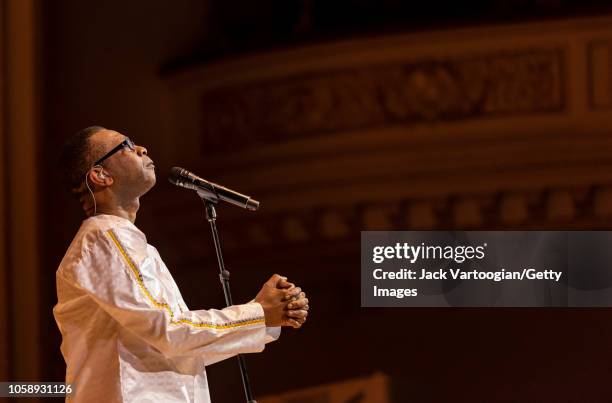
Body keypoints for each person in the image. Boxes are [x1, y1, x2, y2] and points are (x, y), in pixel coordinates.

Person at [54, 126, 309, 402]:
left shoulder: (125, 242)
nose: (142, 149)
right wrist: (257, 313)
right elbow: (170, 330)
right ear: (101, 175)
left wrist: (264, 318)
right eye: (126, 145)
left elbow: (179, 351)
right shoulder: (104, 237)